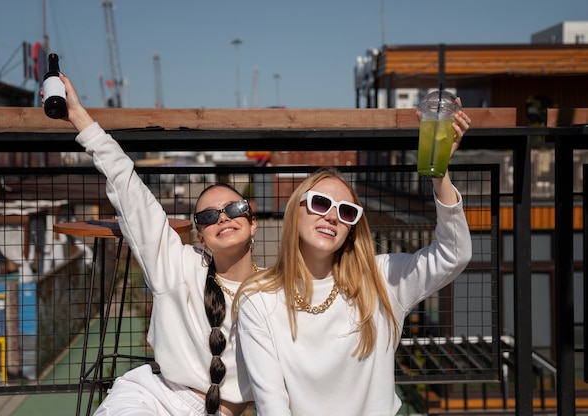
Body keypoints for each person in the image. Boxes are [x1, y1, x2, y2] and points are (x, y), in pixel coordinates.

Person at [232, 109, 472, 415]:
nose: (332, 216)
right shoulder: (259, 300)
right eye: (320, 203)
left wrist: (440, 175)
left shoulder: (381, 279)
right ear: (296, 210)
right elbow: (272, 404)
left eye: (346, 211)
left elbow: (455, 254)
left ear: (351, 228)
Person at [44, 74, 256, 416]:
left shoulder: (276, 290)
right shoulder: (177, 264)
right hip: (158, 398)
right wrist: (79, 117)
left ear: (253, 221)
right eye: (208, 216)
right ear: (199, 236)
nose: (223, 218)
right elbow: (131, 194)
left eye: (234, 209)